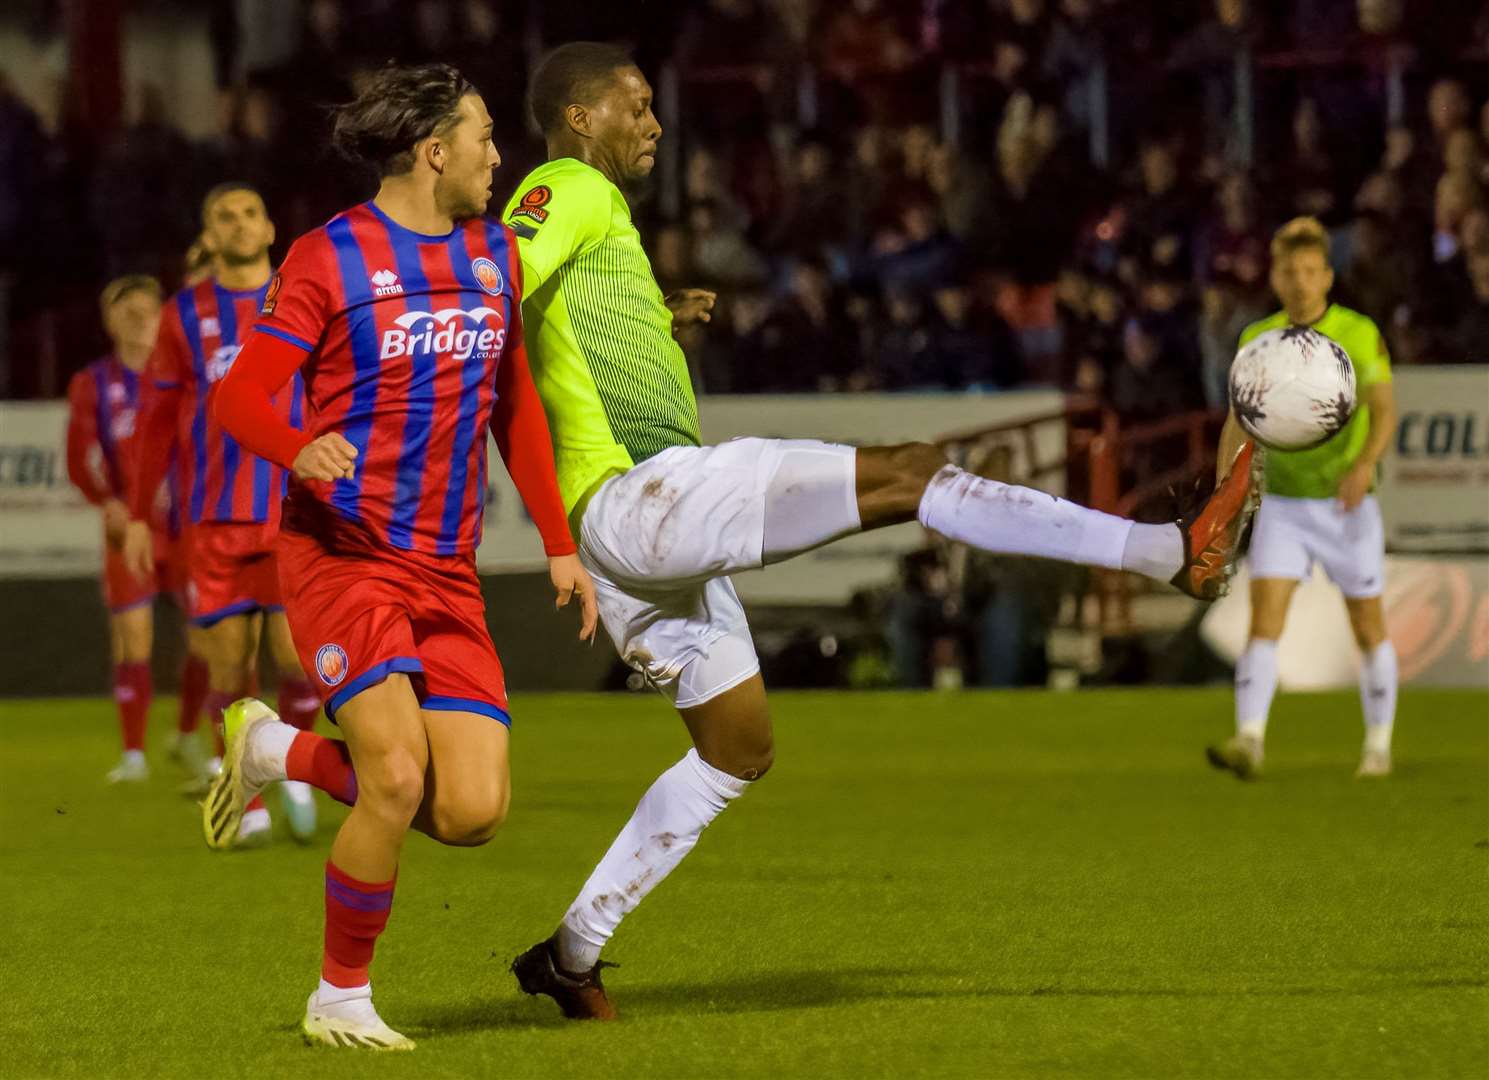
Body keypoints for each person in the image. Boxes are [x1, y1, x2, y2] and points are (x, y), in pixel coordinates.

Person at [496, 42, 1260, 1020]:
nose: (652, 122)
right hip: (644, 500)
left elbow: (558, 327)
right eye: (632, 105)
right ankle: (1167, 552)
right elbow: (498, 277)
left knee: (735, 748)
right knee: (908, 473)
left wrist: (658, 315)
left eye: (653, 104)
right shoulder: (563, 185)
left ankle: (571, 951)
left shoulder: (607, 229)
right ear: (576, 118)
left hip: (629, 537)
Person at [207, 64, 597, 1049]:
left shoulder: (496, 255)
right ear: (435, 151)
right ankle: (339, 997)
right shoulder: (329, 257)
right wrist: (296, 445)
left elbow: (513, 403)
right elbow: (240, 396)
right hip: (343, 555)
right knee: (392, 776)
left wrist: (560, 545)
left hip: (444, 566)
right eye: (485, 139)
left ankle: (272, 750)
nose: (499, 157)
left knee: (470, 812)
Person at [122, 183, 319, 844]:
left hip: (295, 510)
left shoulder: (305, 296)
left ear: (269, 228)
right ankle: (249, 794)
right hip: (215, 517)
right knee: (231, 667)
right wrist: (140, 514)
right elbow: (154, 421)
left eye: (248, 213)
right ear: (208, 237)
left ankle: (289, 766)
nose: (237, 224)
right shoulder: (185, 315)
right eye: (222, 217)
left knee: (297, 658)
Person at [1207, 217, 1399, 780]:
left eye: (1310, 271)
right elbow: (1237, 422)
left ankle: (1379, 744)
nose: (1300, 282)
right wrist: (1226, 493)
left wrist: (1364, 465)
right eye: (1290, 271)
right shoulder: (1257, 340)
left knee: (1367, 625)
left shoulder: (1358, 333)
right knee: (1264, 621)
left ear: (1328, 276)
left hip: (1346, 503)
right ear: (1275, 276)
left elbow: (1384, 409)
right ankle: (1249, 738)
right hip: (1285, 504)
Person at [66, 275, 211, 782]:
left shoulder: (191, 378)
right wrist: (106, 503)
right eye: (125, 310)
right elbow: (80, 460)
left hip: (189, 530)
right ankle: (132, 755)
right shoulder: (93, 384)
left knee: (206, 639)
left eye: (146, 310)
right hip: (130, 531)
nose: (138, 318)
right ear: (108, 322)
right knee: (133, 636)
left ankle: (188, 733)